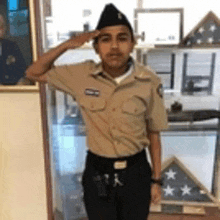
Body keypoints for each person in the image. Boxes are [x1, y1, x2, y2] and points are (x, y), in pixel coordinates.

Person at [26, 3, 168, 220]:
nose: (114, 46)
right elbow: (34, 72)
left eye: (122, 38)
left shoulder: (149, 81)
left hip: (136, 172)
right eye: (105, 39)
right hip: (98, 173)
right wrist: (67, 45)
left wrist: (156, 181)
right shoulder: (81, 75)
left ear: (132, 44)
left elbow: (154, 133)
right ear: (95, 47)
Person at [0, 14, 27, 85]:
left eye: (2, 26)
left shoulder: (12, 46)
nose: (1, 29)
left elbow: (23, 72)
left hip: (12, 91)